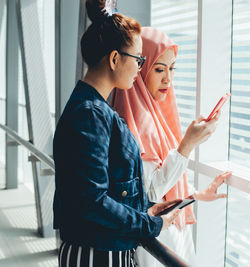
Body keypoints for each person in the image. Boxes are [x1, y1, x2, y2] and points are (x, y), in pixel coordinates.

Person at [53, 2, 183, 266]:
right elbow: (92, 201)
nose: (139, 67)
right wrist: (150, 223)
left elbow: (106, 190)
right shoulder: (90, 114)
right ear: (114, 59)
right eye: (138, 58)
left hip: (102, 249)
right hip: (96, 254)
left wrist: (146, 208)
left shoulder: (93, 108)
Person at [112, 27, 232, 267]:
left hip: (169, 230)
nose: (168, 78)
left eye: (172, 69)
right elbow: (149, 194)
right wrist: (187, 145)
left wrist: (195, 194)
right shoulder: (134, 120)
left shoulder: (153, 115)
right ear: (140, 67)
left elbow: (161, 187)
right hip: (157, 238)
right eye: (159, 69)